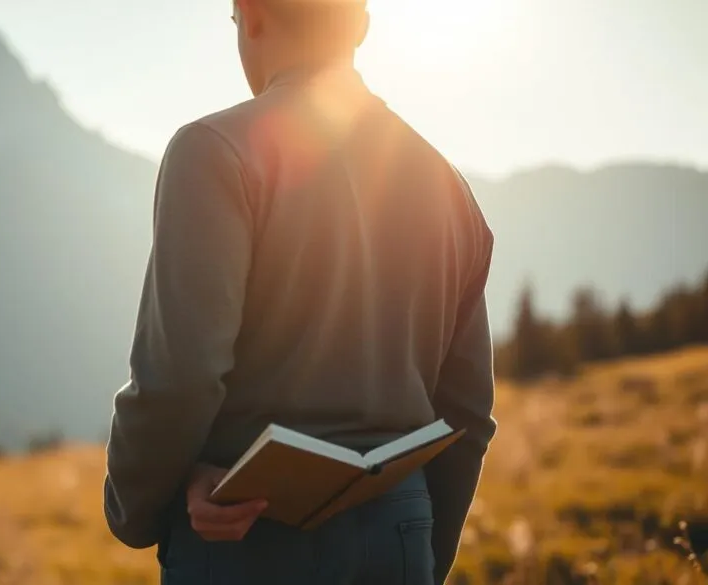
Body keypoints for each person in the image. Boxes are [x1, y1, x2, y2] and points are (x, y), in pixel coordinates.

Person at [103, 0, 497, 583]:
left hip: (246, 541)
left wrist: (134, 510)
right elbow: (468, 412)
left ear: (252, 14)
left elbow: (182, 376)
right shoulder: (450, 189)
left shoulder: (214, 152)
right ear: (361, 25)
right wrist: (422, 547)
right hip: (402, 536)